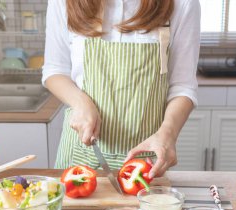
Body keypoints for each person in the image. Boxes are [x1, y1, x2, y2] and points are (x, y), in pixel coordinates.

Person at [42, 0, 200, 178]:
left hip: (146, 161)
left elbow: (183, 86)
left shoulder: (183, 3)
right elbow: (55, 71)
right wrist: (81, 103)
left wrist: (168, 134)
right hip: (79, 156)